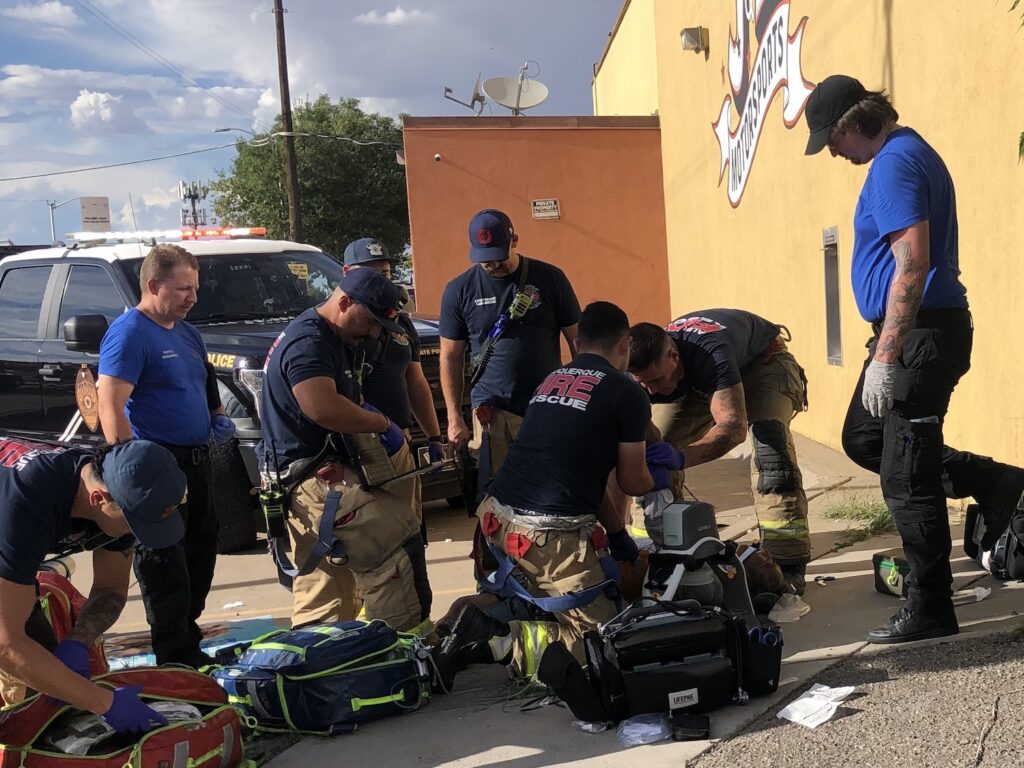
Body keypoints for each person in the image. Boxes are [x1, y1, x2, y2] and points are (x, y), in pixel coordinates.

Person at [805, 74, 1024, 643]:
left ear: (855, 121)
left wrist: (886, 354)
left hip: (919, 335)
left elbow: (912, 264)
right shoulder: (906, 153)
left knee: (906, 475)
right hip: (915, 333)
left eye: (832, 138)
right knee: (865, 438)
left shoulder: (895, 163)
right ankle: (1000, 483)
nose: (832, 151)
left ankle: (930, 606)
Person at [434, 302, 665, 688]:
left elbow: (581, 477)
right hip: (547, 536)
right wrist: (668, 464)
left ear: (580, 342)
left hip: (497, 522)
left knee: (529, 596)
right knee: (606, 644)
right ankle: (498, 644)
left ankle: (462, 618)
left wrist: (618, 534)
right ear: (625, 344)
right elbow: (632, 481)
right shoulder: (626, 392)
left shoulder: (553, 380)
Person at [259, 268, 433, 634]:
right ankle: (402, 649)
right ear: (344, 301)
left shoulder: (333, 336)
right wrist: (381, 425)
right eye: (370, 321)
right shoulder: (308, 343)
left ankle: (328, 659)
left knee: (329, 584)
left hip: (318, 471)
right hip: (311, 479)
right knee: (391, 545)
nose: (373, 333)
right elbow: (320, 407)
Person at [98, 243, 234, 667]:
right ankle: (175, 657)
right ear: (154, 285)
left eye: (195, 288)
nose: (193, 297)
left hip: (196, 460)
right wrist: (128, 473)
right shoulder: (130, 333)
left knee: (201, 553)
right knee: (166, 565)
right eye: (183, 289)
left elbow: (205, 380)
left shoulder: (186, 331)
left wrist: (216, 417)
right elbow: (110, 405)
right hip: (157, 466)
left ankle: (187, 637)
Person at [0, 437, 186, 732]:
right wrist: (104, 703)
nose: (137, 534)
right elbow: (7, 645)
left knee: (52, 686)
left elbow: (110, 589)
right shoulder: (28, 500)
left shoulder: (120, 486)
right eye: (135, 523)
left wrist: (78, 640)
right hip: (11, 516)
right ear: (99, 499)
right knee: (31, 679)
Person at [628, 310, 811, 594]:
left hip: (762, 364)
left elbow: (733, 427)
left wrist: (681, 457)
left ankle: (785, 565)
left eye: (656, 381)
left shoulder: (712, 354)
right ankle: (652, 554)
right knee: (650, 453)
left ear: (673, 356)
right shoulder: (639, 372)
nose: (652, 390)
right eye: (644, 384)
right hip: (691, 382)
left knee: (771, 451)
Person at [440, 209, 581, 482]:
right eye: (484, 259)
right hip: (493, 411)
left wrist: (580, 399)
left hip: (546, 405)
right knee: (498, 493)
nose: (492, 265)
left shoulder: (550, 278)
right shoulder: (459, 290)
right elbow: (450, 357)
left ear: (514, 240)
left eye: (498, 256)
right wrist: (454, 416)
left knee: (550, 483)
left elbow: (577, 340)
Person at [342, 237, 444, 529]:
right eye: (371, 272)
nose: (381, 280)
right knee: (369, 530)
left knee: (408, 524)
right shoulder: (339, 325)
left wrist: (434, 436)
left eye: (385, 273)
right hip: (357, 444)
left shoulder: (401, 322)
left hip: (399, 439)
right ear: (348, 273)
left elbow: (414, 379)